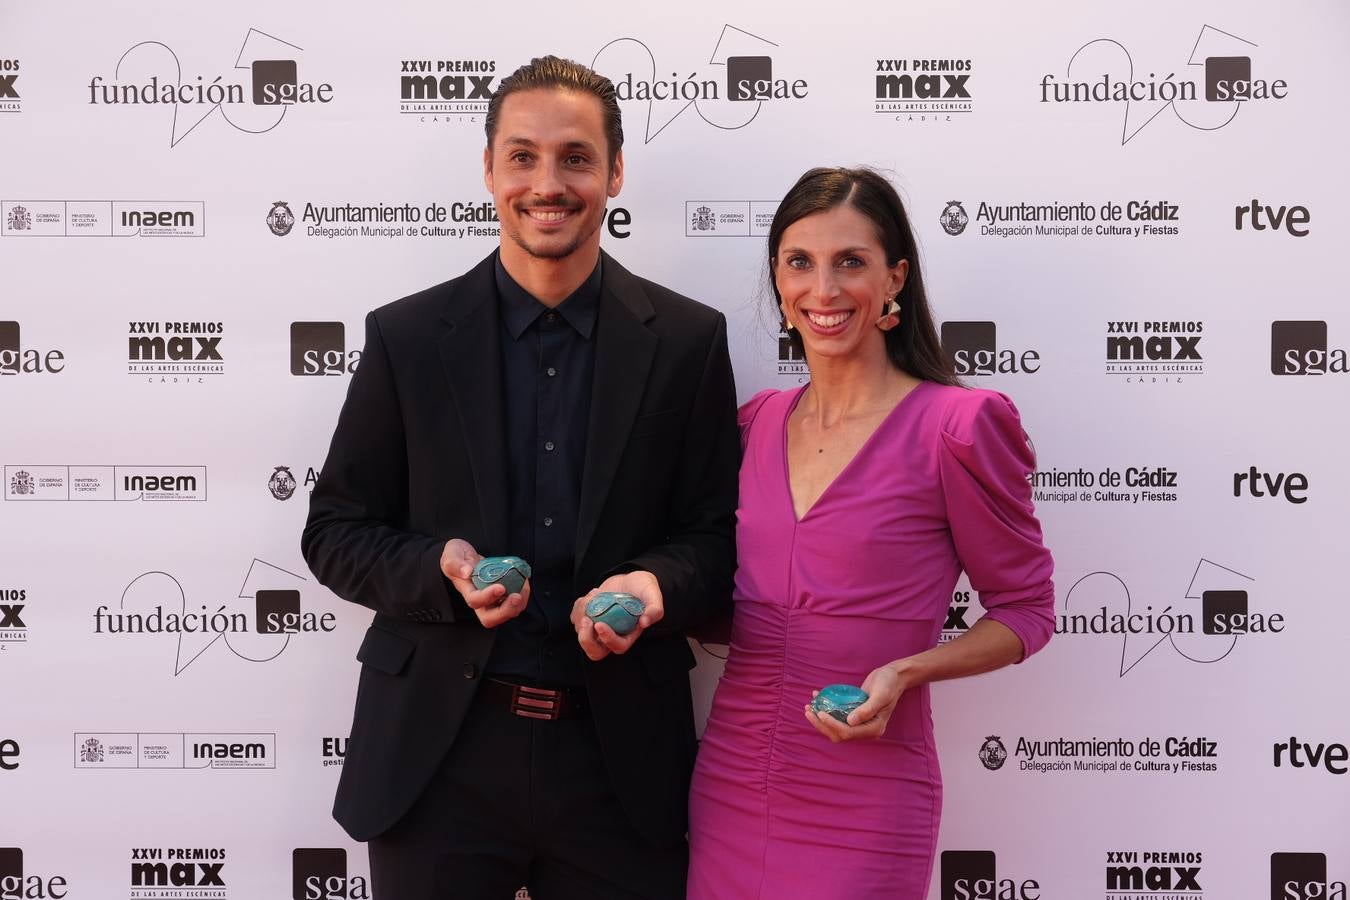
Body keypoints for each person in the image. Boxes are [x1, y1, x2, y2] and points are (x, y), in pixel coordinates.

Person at [301, 55, 739, 900]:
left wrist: (652, 586)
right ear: (490, 168)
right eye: (524, 156)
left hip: (618, 766)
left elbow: (716, 537)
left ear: (614, 171)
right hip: (437, 761)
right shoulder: (408, 336)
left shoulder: (688, 342)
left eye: (576, 157)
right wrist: (441, 569)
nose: (549, 183)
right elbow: (335, 532)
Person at [686, 167, 1055, 899]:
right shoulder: (755, 424)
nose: (823, 290)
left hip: (869, 783)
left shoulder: (960, 426)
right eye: (800, 262)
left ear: (895, 279)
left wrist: (904, 672)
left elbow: (1027, 612)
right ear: (779, 281)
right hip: (732, 772)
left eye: (849, 262)